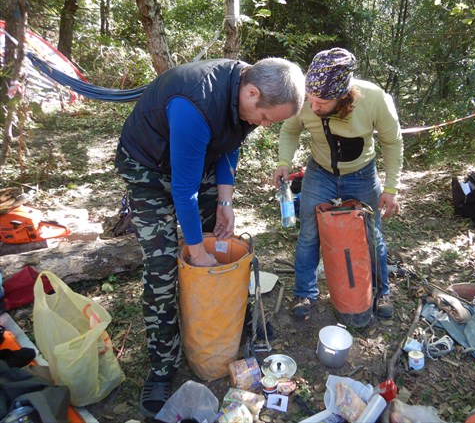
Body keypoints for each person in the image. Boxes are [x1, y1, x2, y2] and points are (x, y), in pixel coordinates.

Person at [114, 56, 305, 419]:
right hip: (148, 169)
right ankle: (162, 365)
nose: (263, 125)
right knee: (163, 265)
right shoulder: (195, 102)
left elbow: (230, 144)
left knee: (215, 241)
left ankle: (227, 322)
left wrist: (225, 200)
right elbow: (183, 190)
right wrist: (197, 251)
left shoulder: (248, 97)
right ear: (251, 93)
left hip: (193, 160)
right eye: (265, 117)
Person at [272, 47, 403, 321]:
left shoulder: (375, 98)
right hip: (319, 173)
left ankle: (381, 292)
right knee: (309, 233)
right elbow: (290, 129)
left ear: (343, 96)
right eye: (310, 98)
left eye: (321, 102)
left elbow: (393, 142)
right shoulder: (305, 100)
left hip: (362, 174)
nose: (312, 106)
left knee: (372, 233)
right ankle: (305, 294)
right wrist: (284, 161)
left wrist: (391, 189)